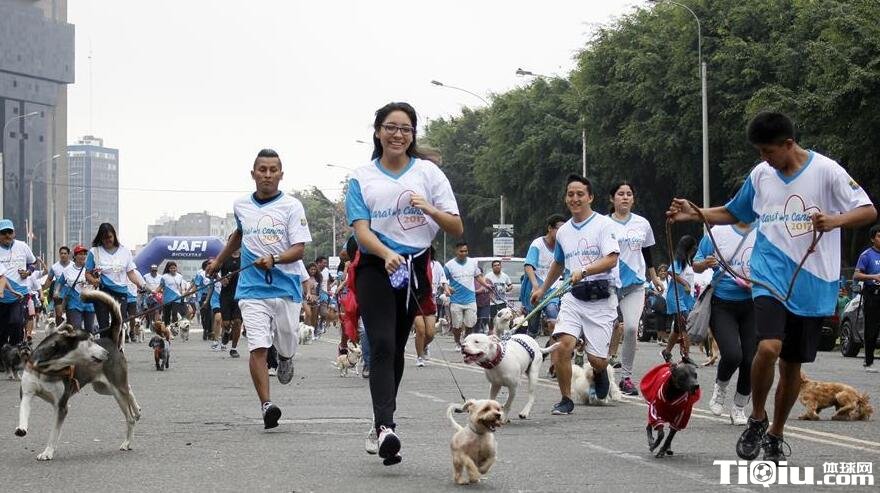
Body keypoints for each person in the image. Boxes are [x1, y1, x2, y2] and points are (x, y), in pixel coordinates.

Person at [667, 111, 876, 463]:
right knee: (767, 347)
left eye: (768, 151)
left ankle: (776, 433)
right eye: (760, 152)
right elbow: (736, 212)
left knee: (792, 367)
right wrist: (696, 212)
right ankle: (756, 418)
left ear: (788, 144)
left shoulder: (827, 171)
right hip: (768, 275)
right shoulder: (761, 174)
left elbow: (867, 210)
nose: (764, 159)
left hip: (813, 281)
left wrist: (835, 220)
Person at [346, 102, 462, 465]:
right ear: (378, 131)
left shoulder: (428, 173)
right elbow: (361, 231)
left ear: (413, 135)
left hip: (415, 269)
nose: (398, 134)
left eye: (406, 129)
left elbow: (455, 226)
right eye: (390, 127)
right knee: (379, 342)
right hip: (375, 268)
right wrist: (385, 253)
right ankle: (386, 428)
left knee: (396, 349)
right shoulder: (361, 177)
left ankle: (381, 421)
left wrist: (428, 208)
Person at [206, 148, 311, 430]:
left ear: (281, 174)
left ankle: (287, 357)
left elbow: (299, 249)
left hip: (286, 287)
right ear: (253, 174)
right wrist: (218, 261)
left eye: (272, 170)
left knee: (287, 339)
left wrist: (275, 258)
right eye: (262, 170)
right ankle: (266, 405)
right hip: (252, 288)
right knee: (258, 346)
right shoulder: (241, 205)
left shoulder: (292, 206)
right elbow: (238, 235)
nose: (267, 175)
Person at [530, 175, 620, 416]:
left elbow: (612, 259)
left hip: (601, 297)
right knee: (562, 347)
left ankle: (601, 371)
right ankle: (565, 399)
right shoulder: (564, 232)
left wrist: (585, 270)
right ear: (565, 198)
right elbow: (558, 263)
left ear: (590, 197)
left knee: (597, 360)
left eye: (580, 194)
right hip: (573, 298)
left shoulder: (604, 225)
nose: (575, 198)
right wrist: (542, 288)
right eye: (570, 194)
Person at [693, 222, 757, 425]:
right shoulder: (718, 232)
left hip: (753, 302)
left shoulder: (764, 229)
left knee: (750, 360)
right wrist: (705, 263)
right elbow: (696, 262)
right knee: (732, 355)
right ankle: (720, 387)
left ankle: (739, 406)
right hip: (722, 303)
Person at [605, 182, 664, 396]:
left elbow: (647, 252)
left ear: (633, 199)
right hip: (609, 284)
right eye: (620, 194)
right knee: (607, 328)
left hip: (636, 284)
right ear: (612, 199)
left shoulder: (642, 223)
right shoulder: (603, 224)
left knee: (630, 329)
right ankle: (600, 372)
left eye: (629, 194)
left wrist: (654, 277)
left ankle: (626, 378)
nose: (625, 197)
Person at [84, 223, 149, 336]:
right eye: (104, 238)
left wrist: (141, 285)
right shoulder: (94, 252)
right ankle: (105, 349)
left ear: (114, 236)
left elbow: (131, 273)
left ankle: (118, 349)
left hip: (121, 293)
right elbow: (87, 273)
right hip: (102, 293)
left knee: (119, 324)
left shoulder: (125, 251)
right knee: (103, 325)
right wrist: (94, 281)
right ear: (100, 238)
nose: (107, 240)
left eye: (109, 237)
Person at [521, 214, 567, 337]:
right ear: (550, 228)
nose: (561, 232)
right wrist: (535, 286)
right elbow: (528, 265)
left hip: (552, 291)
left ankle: (553, 352)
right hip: (535, 291)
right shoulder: (537, 244)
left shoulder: (563, 247)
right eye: (559, 228)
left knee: (553, 319)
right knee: (533, 329)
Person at [444, 241, 489, 349]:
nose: (464, 253)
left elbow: (478, 276)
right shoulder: (448, 265)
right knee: (457, 325)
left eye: (466, 251)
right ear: (456, 251)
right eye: (461, 251)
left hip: (470, 299)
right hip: (456, 300)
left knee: (470, 324)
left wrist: (486, 285)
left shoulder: (472, 263)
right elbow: (443, 280)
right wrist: (447, 288)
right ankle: (457, 342)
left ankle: (466, 342)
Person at [662, 235, 697, 364]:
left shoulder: (688, 261)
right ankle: (686, 356)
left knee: (678, 329)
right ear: (688, 247)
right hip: (676, 298)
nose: (695, 249)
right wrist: (685, 284)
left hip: (686, 299)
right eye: (693, 246)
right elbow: (671, 273)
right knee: (685, 326)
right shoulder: (678, 261)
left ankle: (666, 352)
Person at [0, 220, 35, 346]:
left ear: (14, 233)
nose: (7, 235)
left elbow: (32, 263)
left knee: (16, 322)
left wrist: (28, 272)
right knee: (2, 330)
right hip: (2, 296)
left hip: (20, 294)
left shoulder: (23, 246)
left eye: (10, 232)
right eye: (3, 233)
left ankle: (17, 350)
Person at [413, 245, 449, 366]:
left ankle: (423, 346)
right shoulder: (412, 263)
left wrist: (447, 289)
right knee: (420, 329)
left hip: (430, 300)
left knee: (430, 333)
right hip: (415, 300)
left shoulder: (436, 265)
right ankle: (419, 357)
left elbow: (443, 280)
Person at [854, 224, 880, 372]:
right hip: (872, 294)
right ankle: (869, 362)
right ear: (872, 238)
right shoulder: (867, 255)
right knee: (871, 330)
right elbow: (856, 275)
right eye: (879, 236)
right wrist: (873, 276)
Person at [58, 245, 96, 332]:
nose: (82, 256)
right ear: (74, 256)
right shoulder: (67, 270)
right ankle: (76, 345)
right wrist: (57, 293)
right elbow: (60, 283)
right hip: (74, 303)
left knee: (89, 330)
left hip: (89, 303)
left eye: (84, 254)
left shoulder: (91, 269)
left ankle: (87, 345)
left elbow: (97, 282)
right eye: (80, 254)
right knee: (76, 328)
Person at [219, 247, 243, 358]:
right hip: (226, 294)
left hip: (241, 294)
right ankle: (227, 333)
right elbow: (212, 271)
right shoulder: (224, 258)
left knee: (238, 321)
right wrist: (221, 279)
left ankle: (234, 348)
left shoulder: (245, 258)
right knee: (226, 323)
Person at [42, 245, 71, 325]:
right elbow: (49, 279)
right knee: (58, 314)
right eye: (61, 253)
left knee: (70, 315)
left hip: (70, 294)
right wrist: (42, 290)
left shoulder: (73, 266)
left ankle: (69, 331)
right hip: (58, 294)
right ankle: (59, 331)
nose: (63, 255)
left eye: (65, 253)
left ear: (68, 254)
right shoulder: (54, 267)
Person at [159, 261, 187, 326]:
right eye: (171, 268)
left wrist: (183, 294)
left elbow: (181, 286)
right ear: (168, 269)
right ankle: (167, 327)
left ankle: (175, 327)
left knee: (174, 313)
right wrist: (154, 292)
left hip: (177, 297)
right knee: (167, 314)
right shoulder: (164, 277)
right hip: (167, 298)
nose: (173, 269)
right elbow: (160, 286)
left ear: (176, 268)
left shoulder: (180, 276)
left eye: (174, 268)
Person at [142, 264, 162, 328]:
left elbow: (162, 285)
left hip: (158, 296)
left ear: (157, 270)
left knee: (157, 310)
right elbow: (144, 285)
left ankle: (156, 325)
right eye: (152, 270)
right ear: (150, 270)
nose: (154, 272)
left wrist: (157, 291)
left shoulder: (160, 277)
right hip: (149, 296)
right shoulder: (145, 276)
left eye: (155, 270)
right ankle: (150, 322)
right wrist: (151, 291)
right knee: (150, 311)